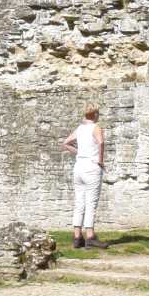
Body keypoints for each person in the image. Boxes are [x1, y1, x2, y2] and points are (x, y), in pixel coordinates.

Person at [62, 106, 104, 248]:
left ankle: (77, 236)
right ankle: (90, 236)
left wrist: (79, 152)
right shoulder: (95, 127)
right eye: (97, 113)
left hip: (79, 167)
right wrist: (100, 160)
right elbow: (101, 142)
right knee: (90, 203)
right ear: (94, 114)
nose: (98, 116)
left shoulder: (79, 129)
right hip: (91, 168)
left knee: (79, 202)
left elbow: (66, 143)